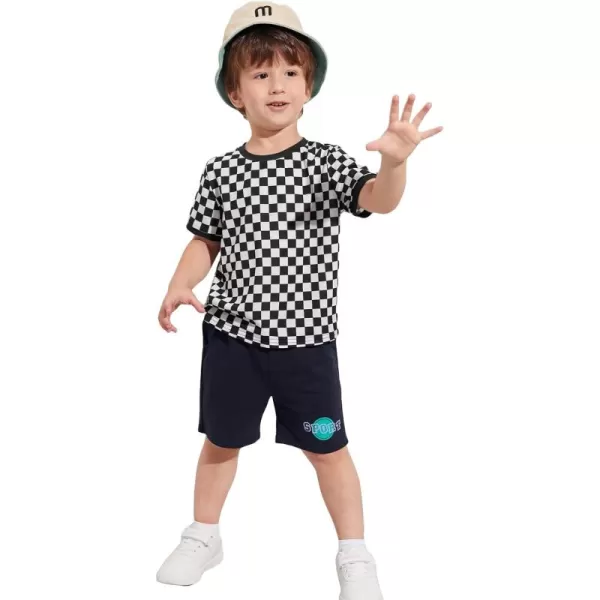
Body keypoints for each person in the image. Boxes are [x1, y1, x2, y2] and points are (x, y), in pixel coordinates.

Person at [155, 2, 442, 598]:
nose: (277, 85)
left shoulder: (323, 162)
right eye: (260, 74)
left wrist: (392, 163)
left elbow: (377, 199)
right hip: (232, 339)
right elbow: (205, 239)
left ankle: (354, 553)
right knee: (221, 442)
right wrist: (181, 282)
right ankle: (203, 535)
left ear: (309, 86)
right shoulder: (221, 171)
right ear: (235, 92)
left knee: (329, 449)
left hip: (306, 344)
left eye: (290, 72)